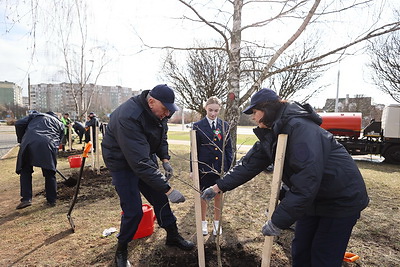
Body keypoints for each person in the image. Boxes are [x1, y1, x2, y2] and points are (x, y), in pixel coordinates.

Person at [201, 88, 369, 267]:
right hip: (313, 198)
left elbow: (307, 179)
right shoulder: (275, 132)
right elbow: (249, 164)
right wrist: (218, 187)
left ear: (267, 110)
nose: (253, 117)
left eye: (255, 112)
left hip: (340, 199)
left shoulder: (301, 129)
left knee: (323, 256)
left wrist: (277, 221)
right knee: (301, 252)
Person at [101, 84, 194, 267]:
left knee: (159, 199)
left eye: (169, 110)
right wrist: (168, 189)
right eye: (165, 110)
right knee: (133, 210)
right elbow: (139, 163)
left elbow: (160, 137)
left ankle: (173, 236)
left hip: (142, 156)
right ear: (151, 102)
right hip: (121, 163)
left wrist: (165, 159)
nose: (167, 114)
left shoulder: (160, 113)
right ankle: (121, 250)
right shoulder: (128, 116)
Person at [192, 96, 233, 236]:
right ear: (205, 108)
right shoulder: (197, 126)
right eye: (210, 110)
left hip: (220, 167)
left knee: (218, 195)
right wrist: (193, 170)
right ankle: (203, 223)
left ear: (219, 109)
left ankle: (217, 224)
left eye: (216, 110)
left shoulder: (224, 126)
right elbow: (194, 150)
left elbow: (228, 149)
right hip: (204, 167)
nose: (213, 113)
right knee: (203, 196)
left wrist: (229, 168)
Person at [15, 111, 64, 209]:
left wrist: (21, 139)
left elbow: (19, 123)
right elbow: (60, 141)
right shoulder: (60, 124)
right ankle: (52, 200)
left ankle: (26, 199)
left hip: (28, 143)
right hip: (48, 144)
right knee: (50, 173)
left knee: (25, 171)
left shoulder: (36, 116)